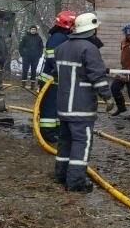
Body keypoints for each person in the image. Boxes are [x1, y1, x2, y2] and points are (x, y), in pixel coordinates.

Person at [53, 12, 115, 192]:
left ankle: (61, 175)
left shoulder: (61, 48)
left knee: (65, 141)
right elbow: (97, 77)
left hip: (63, 106)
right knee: (82, 142)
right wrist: (108, 97)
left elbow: (59, 74)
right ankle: (75, 182)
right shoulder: (89, 49)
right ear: (92, 30)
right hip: (81, 107)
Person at [37, 11, 76, 144]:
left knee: (57, 107)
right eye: (73, 25)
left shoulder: (62, 36)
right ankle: (47, 133)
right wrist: (63, 71)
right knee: (49, 107)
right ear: (67, 24)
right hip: (51, 80)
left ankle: (56, 131)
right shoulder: (58, 37)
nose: (74, 28)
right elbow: (53, 58)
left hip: (57, 80)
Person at [18, 25, 44, 89]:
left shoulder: (38, 38)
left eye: (34, 29)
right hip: (26, 56)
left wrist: (39, 55)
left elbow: (41, 47)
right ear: (30, 30)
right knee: (25, 69)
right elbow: (21, 46)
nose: (33, 30)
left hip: (35, 57)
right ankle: (23, 84)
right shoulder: (25, 37)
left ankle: (32, 84)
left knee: (33, 70)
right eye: (32, 29)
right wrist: (22, 54)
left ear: (36, 30)